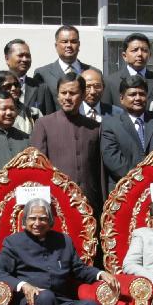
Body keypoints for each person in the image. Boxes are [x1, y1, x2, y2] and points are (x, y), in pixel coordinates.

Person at [29, 72, 104, 209]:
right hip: (57, 202)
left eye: (73, 93)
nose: (67, 97)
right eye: (63, 93)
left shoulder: (94, 127)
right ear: (58, 95)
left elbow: (99, 170)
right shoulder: (44, 124)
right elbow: (37, 168)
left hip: (89, 202)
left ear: (83, 95)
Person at [100, 74, 153, 191]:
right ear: (122, 99)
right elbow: (113, 159)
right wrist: (142, 180)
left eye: (142, 94)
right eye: (132, 94)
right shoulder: (110, 124)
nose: (138, 98)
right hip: (126, 189)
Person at [0, 39, 54, 115]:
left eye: (28, 56)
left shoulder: (41, 88)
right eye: (20, 56)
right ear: (7, 58)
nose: (25, 59)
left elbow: (49, 118)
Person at [101, 32, 153, 104]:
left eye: (144, 50)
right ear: (124, 56)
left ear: (149, 55)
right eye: (135, 50)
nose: (140, 54)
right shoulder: (110, 82)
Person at [33, 25, 99, 94]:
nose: (69, 45)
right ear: (56, 46)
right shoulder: (42, 74)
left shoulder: (94, 72)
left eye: (73, 41)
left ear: (79, 45)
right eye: (64, 42)